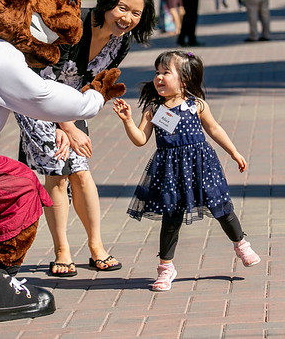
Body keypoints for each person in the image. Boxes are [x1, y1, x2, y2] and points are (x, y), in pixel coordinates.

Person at [15, 0, 156, 277]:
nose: (127, 18)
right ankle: (62, 250)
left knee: (79, 169)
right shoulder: (72, 24)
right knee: (59, 170)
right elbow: (39, 77)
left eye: (136, 13)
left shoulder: (123, 40)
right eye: (122, 8)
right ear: (108, 2)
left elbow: (95, 80)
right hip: (34, 96)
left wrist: (74, 120)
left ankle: (96, 247)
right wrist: (65, 126)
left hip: (70, 101)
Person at [112, 50, 261, 292]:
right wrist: (127, 121)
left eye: (165, 73)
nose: (158, 78)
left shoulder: (196, 105)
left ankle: (241, 243)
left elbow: (214, 129)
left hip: (201, 166)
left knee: (221, 206)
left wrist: (233, 152)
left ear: (184, 79)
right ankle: (165, 268)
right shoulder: (154, 109)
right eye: (157, 73)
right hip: (170, 170)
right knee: (171, 218)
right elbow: (140, 139)